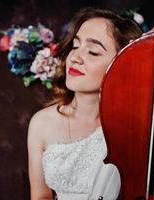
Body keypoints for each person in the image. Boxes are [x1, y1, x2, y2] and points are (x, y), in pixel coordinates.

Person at [27, 7, 142, 200]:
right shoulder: (41, 123)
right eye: (75, 46)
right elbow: (40, 197)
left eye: (93, 52)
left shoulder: (133, 126)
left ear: (122, 62)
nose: (75, 58)